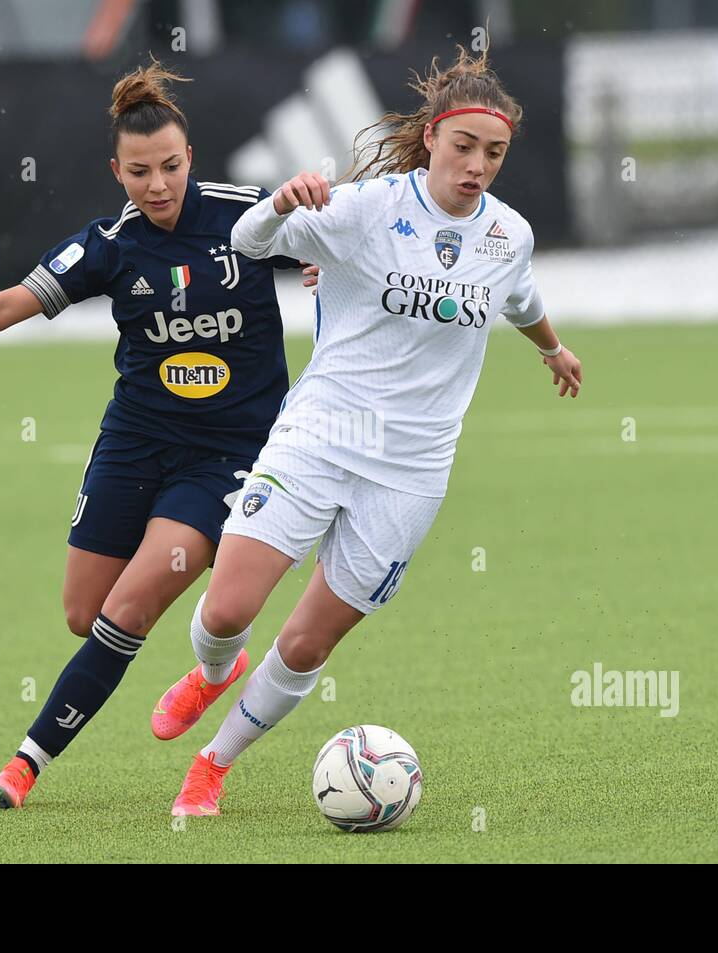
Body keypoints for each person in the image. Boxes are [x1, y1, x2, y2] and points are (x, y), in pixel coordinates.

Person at [0, 61, 317, 809]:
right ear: (118, 171)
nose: (159, 185)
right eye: (140, 172)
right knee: (83, 611)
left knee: (126, 611)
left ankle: (24, 763)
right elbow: (13, 301)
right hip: (135, 439)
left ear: (191, 160)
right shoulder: (109, 243)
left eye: (171, 167)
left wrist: (321, 256)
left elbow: (345, 234)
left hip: (228, 456)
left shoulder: (249, 219)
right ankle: (217, 666)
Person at [153, 46, 583, 817]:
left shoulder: (508, 235)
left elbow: (519, 298)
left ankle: (212, 766)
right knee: (225, 612)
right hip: (319, 435)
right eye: (464, 147)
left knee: (310, 643)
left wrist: (552, 347)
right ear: (431, 140)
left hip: (412, 473)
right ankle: (213, 671)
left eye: (495, 152)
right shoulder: (365, 209)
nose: (478, 165)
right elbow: (248, 243)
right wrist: (284, 202)